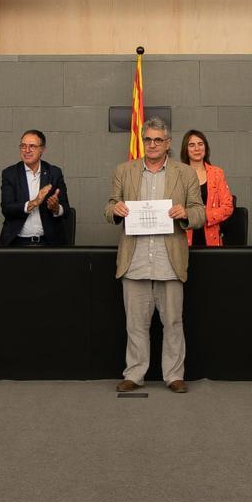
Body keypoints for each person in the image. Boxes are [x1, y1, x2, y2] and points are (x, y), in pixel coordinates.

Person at [104, 117, 204, 394]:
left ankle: (174, 375)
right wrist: (116, 210)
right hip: (134, 259)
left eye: (158, 139)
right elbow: (109, 205)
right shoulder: (124, 171)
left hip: (169, 259)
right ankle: (135, 374)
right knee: (135, 323)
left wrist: (186, 214)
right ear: (142, 141)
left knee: (172, 321)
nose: (152, 144)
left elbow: (200, 212)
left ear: (168, 143)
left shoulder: (185, 173)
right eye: (148, 139)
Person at [0, 129, 70, 246]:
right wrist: (34, 202)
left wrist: (56, 208)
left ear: (42, 149)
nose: (27, 150)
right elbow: (7, 209)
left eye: (32, 146)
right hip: (17, 243)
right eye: (23, 146)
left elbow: (66, 211)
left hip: (48, 243)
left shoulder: (54, 173)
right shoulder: (10, 174)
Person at [180, 129, 233, 247]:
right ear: (186, 149)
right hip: (184, 237)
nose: (197, 149)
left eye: (200, 144)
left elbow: (228, 207)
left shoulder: (217, 173)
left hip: (211, 236)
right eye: (191, 145)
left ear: (206, 147)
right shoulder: (178, 174)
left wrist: (203, 215)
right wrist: (191, 216)